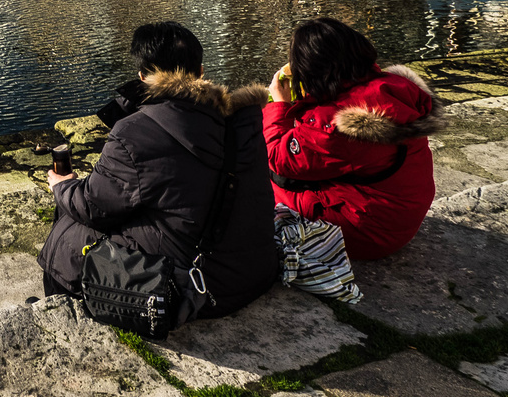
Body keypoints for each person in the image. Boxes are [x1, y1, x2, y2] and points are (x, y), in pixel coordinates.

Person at [39, 22, 280, 319]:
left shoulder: (136, 132)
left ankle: (55, 311)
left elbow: (92, 206)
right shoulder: (240, 122)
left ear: (142, 77)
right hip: (252, 273)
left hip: (199, 288)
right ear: (201, 72)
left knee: (69, 233)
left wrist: (61, 186)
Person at [263, 17, 445, 260]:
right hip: (398, 216)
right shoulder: (391, 88)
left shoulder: (341, 124)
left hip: (368, 232)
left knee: (260, 181)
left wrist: (280, 104)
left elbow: (278, 158)